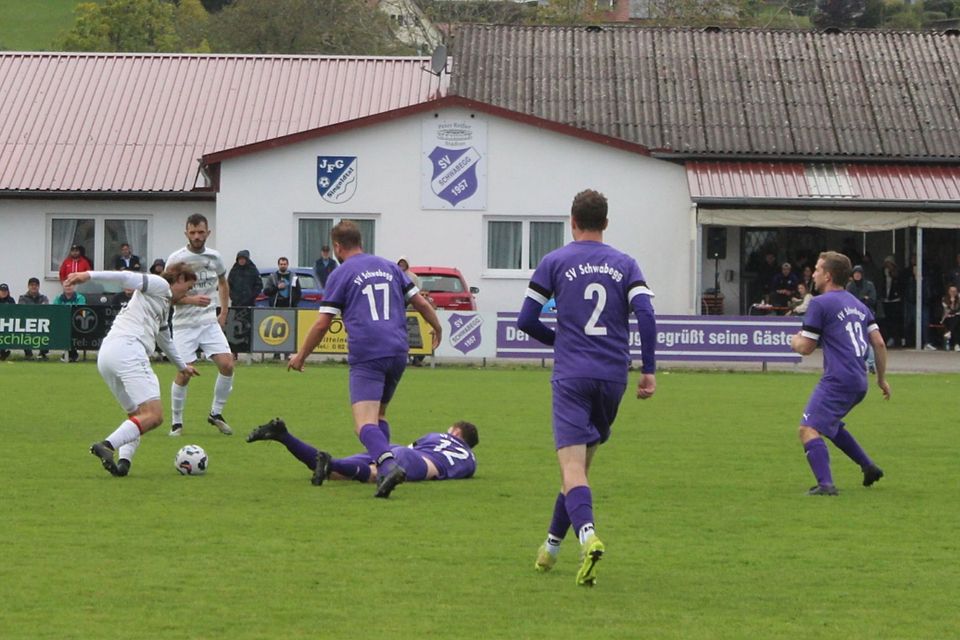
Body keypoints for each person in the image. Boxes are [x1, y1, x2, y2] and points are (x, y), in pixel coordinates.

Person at [517, 189, 657, 587]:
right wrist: (648, 370)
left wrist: (559, 341)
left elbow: (526, 319)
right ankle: (550, 548)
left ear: (572, 222)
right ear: (606, 223)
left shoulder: (555, 261)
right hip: (612, 377)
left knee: (573, 468)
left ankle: (588, 538)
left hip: (572, 377)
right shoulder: (625, 263)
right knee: (578, 471)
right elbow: (646, 314)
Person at [288, 220, 442, 499]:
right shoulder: (390, 267)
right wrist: (437, 326)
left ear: (337, 246)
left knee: (363, 424)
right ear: (361, 241)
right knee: (379, 416)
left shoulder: (341, 273)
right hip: (398, 351)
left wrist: (301, 355)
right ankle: (380, 468)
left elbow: (323, 323)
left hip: (368, 353)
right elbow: (420, 302)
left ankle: (389, 466)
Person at [66, 265, 202, 477]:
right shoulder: (160, 284)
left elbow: (165, 340)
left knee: (138, 417)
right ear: (180, 278)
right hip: (129, 349)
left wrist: (182, 367)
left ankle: (123, 464)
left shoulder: (164, 305)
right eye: (189, 286)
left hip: (108, 355)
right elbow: (125, 277)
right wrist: (88, 275)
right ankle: (106, 445)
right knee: (154, 415)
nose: (188, 293)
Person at [790, 251, 888, 496]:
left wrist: (794, 341)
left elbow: (806, 347)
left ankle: (826, 485)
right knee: (829, 424)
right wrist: (881, 379)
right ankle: (869, 467)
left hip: (838, 379)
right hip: (859, 380)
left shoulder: (820, 303)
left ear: (828, 275)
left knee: (807, 429)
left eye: (817, 269)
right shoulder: (859, 305)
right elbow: (879, 343)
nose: (813, 273)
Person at [245, 417, 478, 485]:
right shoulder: (470, 459)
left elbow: (412, 447)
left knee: (335, 473)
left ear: (456, 432)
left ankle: (284, 436)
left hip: (394, 448)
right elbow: (460, 472)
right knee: (374, 474)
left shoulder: (435, 436)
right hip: (420, 462)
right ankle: (329, 462)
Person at [166, 213, 235, 437]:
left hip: (208, 323)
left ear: (208, 233)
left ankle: (216, 413)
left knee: (227, 364)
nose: (197, 236)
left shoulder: (215, 257)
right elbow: (167, 295)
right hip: (184, 324)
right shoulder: (176, 259)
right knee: (184, 373)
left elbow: (223, 283)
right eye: (193, 232)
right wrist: (191, 300)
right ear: (186, 233)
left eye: (201, 232)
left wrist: (223, 312)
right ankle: (176, 422)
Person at [846, 265, 878, 372]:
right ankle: (860, 364)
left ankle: (871, 363)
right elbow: (848, 300)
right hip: (853, 315)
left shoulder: (869, 285)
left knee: (868, 338)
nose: (857, 275)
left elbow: (872, 299)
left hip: (867, 314)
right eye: (855, 273)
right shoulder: (850, 286)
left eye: (859, 273)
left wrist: (861, 300)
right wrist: (863, 298)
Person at [53, 281, 87, 362]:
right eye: (66, 285)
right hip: (62, 323)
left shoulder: (80, 298)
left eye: (70, 285)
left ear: (74, 286)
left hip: (77, 323)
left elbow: (81, 311)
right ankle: (69, 354)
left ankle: (72, 354)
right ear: (63, 287)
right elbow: (55, 310)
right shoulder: (58, 298)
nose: (68, 287)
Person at [18, 277, 50, 360]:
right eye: (32, 285)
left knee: (47, 329)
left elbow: (45, 309)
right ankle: (28, 354)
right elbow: (22, 310)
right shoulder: (22, 298)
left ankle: (42, 353)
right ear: (28, 286)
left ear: (38, 286)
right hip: (27, 322)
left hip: (41, 322)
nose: (34, 287)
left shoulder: (44, 298)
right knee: (23, 330)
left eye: (36, 285)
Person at [879, 255, 903, 347]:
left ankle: (895, 338)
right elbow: (881, 284)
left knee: (895, 321)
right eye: (886, 264)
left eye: (889, 264)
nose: (888, 266)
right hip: (885, 300)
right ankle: (888, 337)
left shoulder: (897, 274)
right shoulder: (882, 274)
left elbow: (900, 285)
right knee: (886, 321)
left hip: (895, 300)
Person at [940, 285, 960, 351]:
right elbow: (950, 310)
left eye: (955, 291)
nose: (953, 293)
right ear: (948, 291)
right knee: (955, 322)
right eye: (951, 291)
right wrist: (952, 302)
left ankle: (949, 333)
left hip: (957, 318)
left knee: (957, 320)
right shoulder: (944, 299)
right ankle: (956, 344)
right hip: (947, 318)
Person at [0, 283, 14, 361]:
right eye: (2, 290)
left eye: (5, 291)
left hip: (7, 324)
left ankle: (3, 353)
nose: (3, 292)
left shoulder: (11, 300)